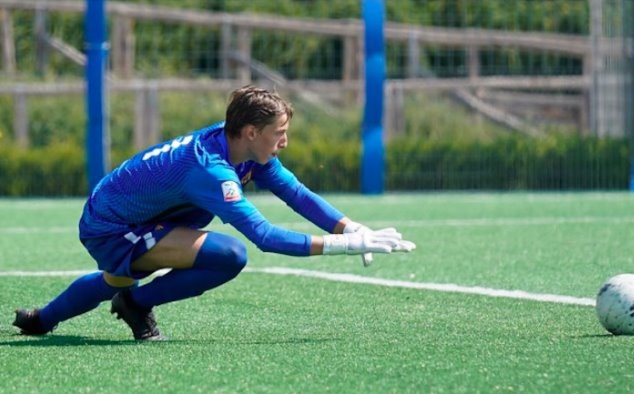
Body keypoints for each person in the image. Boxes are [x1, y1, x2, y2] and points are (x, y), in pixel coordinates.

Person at [13, 86, 415, 341]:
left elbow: (296, 193)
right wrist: (346, 245)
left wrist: (352, 226)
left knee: (114, 280)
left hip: (134, 216)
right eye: (280, 134)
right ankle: (135, 304)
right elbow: (264, 237)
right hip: (111, 225)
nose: (285, 142)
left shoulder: (240, 144)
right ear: (252, 133)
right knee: (229, 254)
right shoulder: (212, 170)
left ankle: (42, 320)